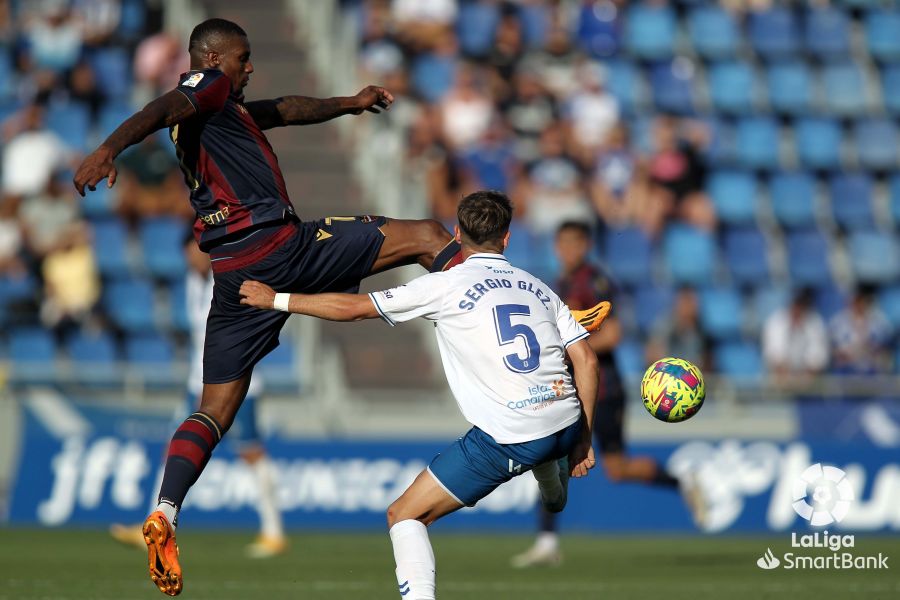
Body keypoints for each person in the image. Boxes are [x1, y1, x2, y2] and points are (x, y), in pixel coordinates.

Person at [72, 19, 604, 596]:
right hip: (284, 246)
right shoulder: (206, 85)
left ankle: (167, 510)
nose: (249, 67)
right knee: (426, 233)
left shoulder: (223, 112)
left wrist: (350, 104)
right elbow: (160, 107)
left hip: (234, 275)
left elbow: (288, 108)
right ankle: (516, 306)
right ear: (213, 57)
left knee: (214, 411)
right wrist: (106, 149)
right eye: (242, 58)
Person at [239, 190, 600, 600]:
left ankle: (546, 470)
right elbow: (586, 361)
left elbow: (355, 309)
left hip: (511, 434)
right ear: (507, 239)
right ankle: (552, 477)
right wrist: (584, 436)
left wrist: (278, 300)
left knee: (404, 515)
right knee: (549, 459)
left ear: (457, 234)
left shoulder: (443, 285)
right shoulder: (538, 287)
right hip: (567, 420)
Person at [511, 222, 706, 568]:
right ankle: (547, 542)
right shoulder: (561, 285)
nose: (567, 251)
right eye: (561, 244)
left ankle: (681, 480)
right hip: (571, 387)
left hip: (604, 387)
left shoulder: (595, 282)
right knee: (552, 456)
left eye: (574, 243)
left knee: (614, 468)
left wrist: (564, 348)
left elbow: (612, 335)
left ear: (585, 245)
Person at [110, 232, 286, 558]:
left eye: (195, 251)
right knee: (174, 449)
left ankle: (274, 531)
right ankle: (156, 522)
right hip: (198, 383)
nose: (191, 258)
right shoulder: (194, 282)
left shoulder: (228, 280)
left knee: (251, 454)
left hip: (234, 384)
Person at [761, 287, 829, 382]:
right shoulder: (775, 321)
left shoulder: (815, 322)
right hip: (779, 380)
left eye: (802, 305)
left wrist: (806, 378)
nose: (798, 309)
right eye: (797, 305)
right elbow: (774, 355)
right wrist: (787, 378)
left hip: (809, 382)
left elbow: (819, 355)